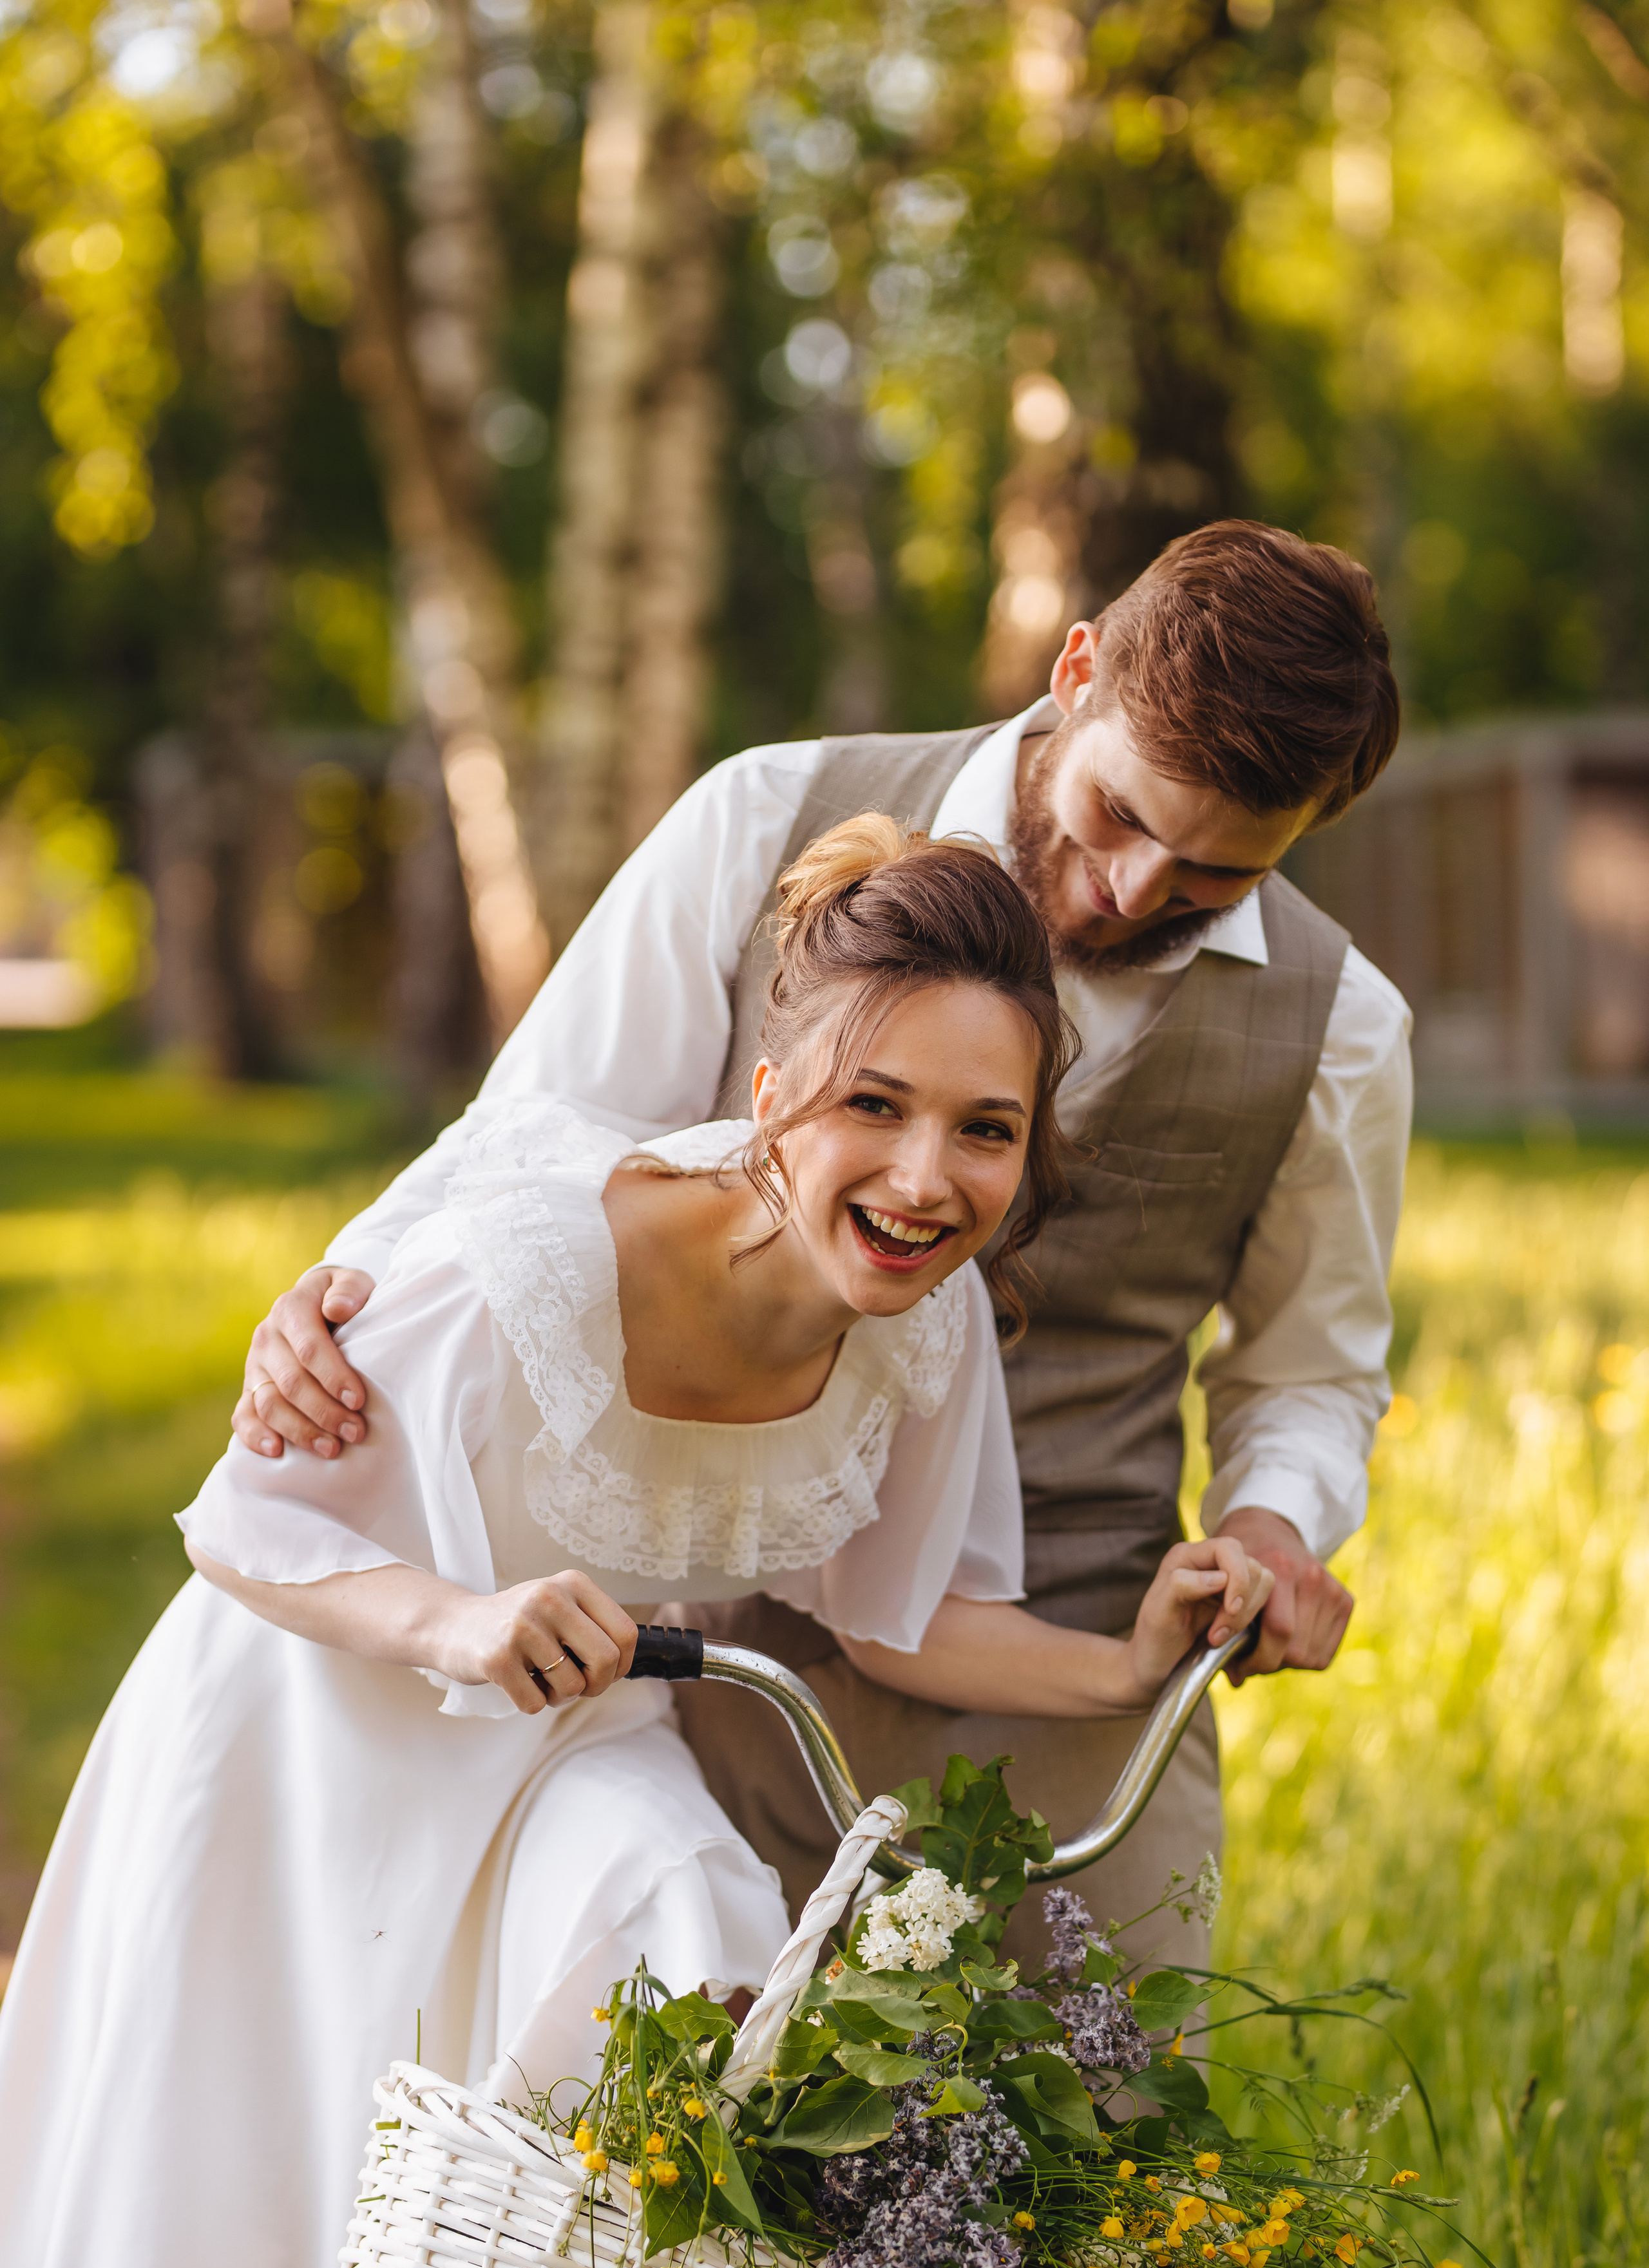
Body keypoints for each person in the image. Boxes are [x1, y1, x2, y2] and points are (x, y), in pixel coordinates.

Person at [0, 818, 1272, 2268]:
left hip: (563, 1741)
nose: (922, 1180)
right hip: (314, 1725)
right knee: (257, 2197)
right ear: (766, 1100)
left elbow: (893, 1613)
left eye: (985, 1130)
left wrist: (1126, 1669)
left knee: (689, 1925)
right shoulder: (523, 1255)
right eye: (870, 1108)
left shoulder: (928, 1325)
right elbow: (249, 1526)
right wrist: (462, 1619)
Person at [233, 518, 1411, 1974]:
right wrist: (338, 1301)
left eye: (1211, 880)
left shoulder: (1339, 1031)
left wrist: (1269, 1527)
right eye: (1118, 818)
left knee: (1107, 2143)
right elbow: (536, 1138)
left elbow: (1308, 1368)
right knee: (694, 2121)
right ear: (1077, 669)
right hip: (724, 1617)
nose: (1128, 892)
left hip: (1076, 1633)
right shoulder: (765, 813)